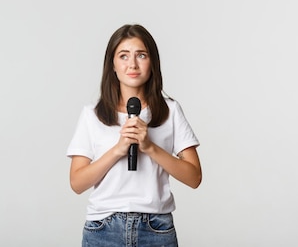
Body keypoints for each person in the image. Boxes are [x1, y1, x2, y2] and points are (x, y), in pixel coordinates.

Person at [66, 24, 202, 247]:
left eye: (141, 55)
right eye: (123, 56)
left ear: (152, 63)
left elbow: (194, 177)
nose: (132, 64)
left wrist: (150, 147)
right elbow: (77, 183)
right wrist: (118, 150)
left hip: (156, 228)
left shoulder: (171, 111)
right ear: (113, 65)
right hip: (103, 228)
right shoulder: (92, 114)